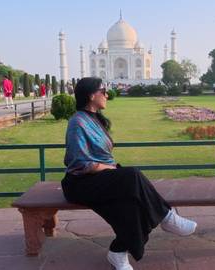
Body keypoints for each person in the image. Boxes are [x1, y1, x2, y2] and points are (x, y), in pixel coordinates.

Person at [61, 77, 197, 270]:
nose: (107, 95)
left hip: (99, 178)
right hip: (80, 182)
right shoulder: (77, 122)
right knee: (131, 174)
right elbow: (80, 163)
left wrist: (112, 169)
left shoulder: (94, 119)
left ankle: (118, 253)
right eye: (103, 91)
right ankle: (167, 216)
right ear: (92, 95)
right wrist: (112, 169)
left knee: (131, 206)